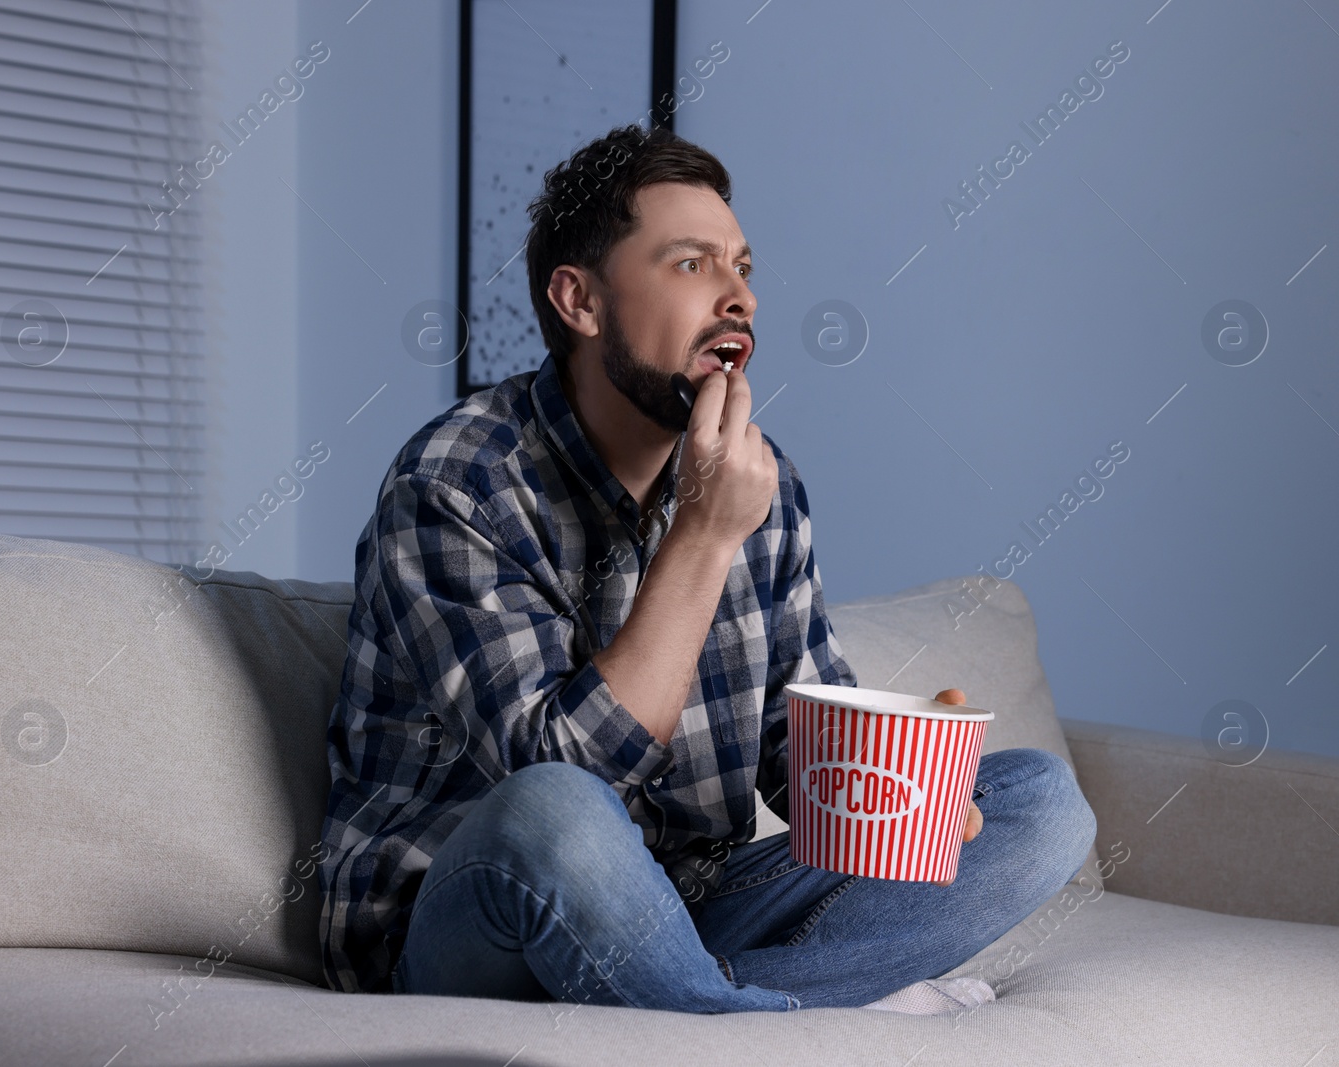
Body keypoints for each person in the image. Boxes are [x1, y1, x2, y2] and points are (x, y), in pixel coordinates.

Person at [317, 122, 1096, 1013]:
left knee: (1038, 804)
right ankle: (781, 1019)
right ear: (580, 301)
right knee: (558, 815)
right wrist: (703, 534)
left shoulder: (768, 484)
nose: (740, 299)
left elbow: (791, 767)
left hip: (685, 909)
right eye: (692, 264)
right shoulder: (457, 482)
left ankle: (703, 1005)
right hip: (470, 926)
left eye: (744, 268)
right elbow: (560, 776)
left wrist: (903, 782)